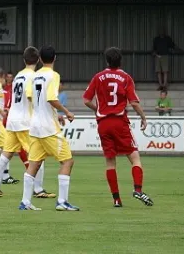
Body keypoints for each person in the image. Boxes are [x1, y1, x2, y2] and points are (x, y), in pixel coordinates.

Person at [83, 47, 153, 208]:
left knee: (110, 162)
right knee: (134, 158)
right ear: (120, 60)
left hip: (103, 124)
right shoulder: (125, 77)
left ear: (106, 61)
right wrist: (143, 117)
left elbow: (86, 100)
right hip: (119, 122)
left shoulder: (98, 77)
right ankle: (138, 189)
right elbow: (134, 102)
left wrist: (99, 110)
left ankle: (116, 199)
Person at [0, 47, 55, 199]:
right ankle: (38, 189)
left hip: (12, 120)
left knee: (6, 155)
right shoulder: (34, 76)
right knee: (38, 155)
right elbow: (32, 97)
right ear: (38, 60)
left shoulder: (18, 76)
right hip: (25, 121)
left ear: (24, 60)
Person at [19, 45, 78, 211]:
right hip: (48, 128)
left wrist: (51, 112)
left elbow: (31, 97)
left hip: (35, 126)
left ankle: (25, 202)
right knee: (67, 161)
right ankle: (61, 201)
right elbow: (52, 98)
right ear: (55, 58)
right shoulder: (53, 75)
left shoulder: (35, 75)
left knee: (34, 164)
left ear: (40, 59)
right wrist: (66, 112)